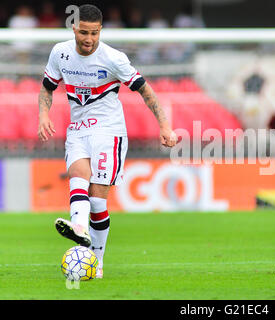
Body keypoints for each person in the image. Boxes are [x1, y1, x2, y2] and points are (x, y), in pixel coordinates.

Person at [37, 4, 177, 279]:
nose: (88, 39)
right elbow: (47, 87)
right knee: (77, 175)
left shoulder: (113, 58)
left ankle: (96, 261)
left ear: (101, 30)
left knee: (97, 201)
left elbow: (145, 90)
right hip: (77, 129)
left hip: (109, 131)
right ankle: (79, 229)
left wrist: (165, 125)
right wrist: (43, 115)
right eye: (83, 33)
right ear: (74, 28)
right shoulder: (60, 53)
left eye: (94, 33)